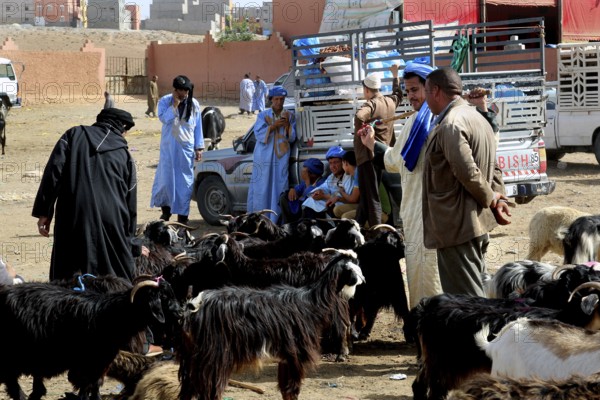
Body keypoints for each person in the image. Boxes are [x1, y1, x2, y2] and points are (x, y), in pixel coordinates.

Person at [422, 67, 511, 297]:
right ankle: (488, 333)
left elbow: (468, 171)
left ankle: (481, 335)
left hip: (457, 227)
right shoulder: (477, 117)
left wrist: (492, 198)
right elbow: (495, 166)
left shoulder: (452, 123)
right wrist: (497, 198)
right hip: (474, 223)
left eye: (425, 92)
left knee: (467, 304)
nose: (425, 99)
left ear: (436, 91)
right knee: (477, 294)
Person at [361, 61, 442, 308]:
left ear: (432, 88)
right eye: (407, 91)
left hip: (433, 213)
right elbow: (397, 160)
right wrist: (372, 145)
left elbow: (394, 160)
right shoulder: (418, 121)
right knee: (420, 270)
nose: (411, 96)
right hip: (416, 212)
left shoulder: (436, 122)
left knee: (432, 269)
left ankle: (436, 319)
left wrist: (372, 145)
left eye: (415, 90)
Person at [32, 108, 140, 281]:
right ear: (122, 127)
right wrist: (131, 242)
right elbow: (130, 201)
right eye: (126, 130)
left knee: (67, 274)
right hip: (112, 221)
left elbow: (53, 173)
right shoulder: (125, 156)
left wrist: (45, 211)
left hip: (73, 215)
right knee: (114, 278)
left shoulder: (73, 135)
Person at [150, 75, 204, 224]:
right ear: (176, 90)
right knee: (166, 182)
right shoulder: (165, 101)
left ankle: (182, 218)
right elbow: (164, 118)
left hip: (185, 151)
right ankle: (166, 213)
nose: (184, 94)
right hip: (168, 150)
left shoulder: (194, 104)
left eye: (186, 90)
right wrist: (174, 105)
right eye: (181, 91)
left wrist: (198, 147)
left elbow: (197, 126)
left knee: (184, 184)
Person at [354, 66, 403, 228]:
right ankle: (358, 230)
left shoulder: (371, 104)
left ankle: (377, 235)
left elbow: (359, 115)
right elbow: (398, 95)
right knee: (366, 198)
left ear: (367, 90)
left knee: (372, 197)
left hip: (367, 157)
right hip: (381, 155)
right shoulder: (389, 101)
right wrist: (395, 76)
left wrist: (363, 131)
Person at [246, 85, 296, 223]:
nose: (279, 102)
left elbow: (292, 138)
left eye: (282, 99)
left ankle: (276, 220)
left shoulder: (290, 116)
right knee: (262, 187)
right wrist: (274, 126)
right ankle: (260, 220)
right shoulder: (263, 115)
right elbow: (259, 134)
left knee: (279, 187)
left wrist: (287, 126)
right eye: (276, 99)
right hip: (263, 157)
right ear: (271, 100)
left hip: (281, 158)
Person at [301, 145, 347, 219]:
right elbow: (324, 187)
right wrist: (319, 191)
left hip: (340, 204)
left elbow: (347, 198)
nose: (332, 166)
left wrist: (324, 196)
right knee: (311, 201)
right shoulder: (331, 177)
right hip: (331, 202)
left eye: (335, 162)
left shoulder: (348, 176)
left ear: (343, 162)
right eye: (331, 163)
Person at [279, 157, 325, 224]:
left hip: (311, 214)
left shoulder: (322, 183)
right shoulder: (305, 182)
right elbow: (297, 190)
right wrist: (292, 190)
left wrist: (307, 181)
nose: (302, 174)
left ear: (313, 174)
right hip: (300, 209)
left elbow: (309, 196)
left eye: (305, 172)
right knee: (284, 197)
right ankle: (287, 224)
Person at [329, 150, 359, 219]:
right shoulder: (354, 174)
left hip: (369, 207)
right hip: (362, 204)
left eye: (342, 164)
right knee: (337, 210)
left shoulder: (357, 174)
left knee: (345, 217)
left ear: (345, 163)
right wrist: (338, 198)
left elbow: (353, 199)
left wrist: (341, 192)